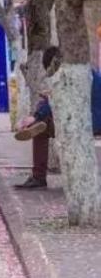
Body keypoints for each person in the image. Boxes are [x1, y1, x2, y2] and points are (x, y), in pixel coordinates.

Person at [15, 46, 101, 189]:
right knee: (45, 112)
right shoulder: (84, 72)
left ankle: (38, 177)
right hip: (86, 119)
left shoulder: (69, 76)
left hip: (87, 122)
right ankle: (38, 122)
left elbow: (58, 99)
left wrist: (36, 115)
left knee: (42, 127)